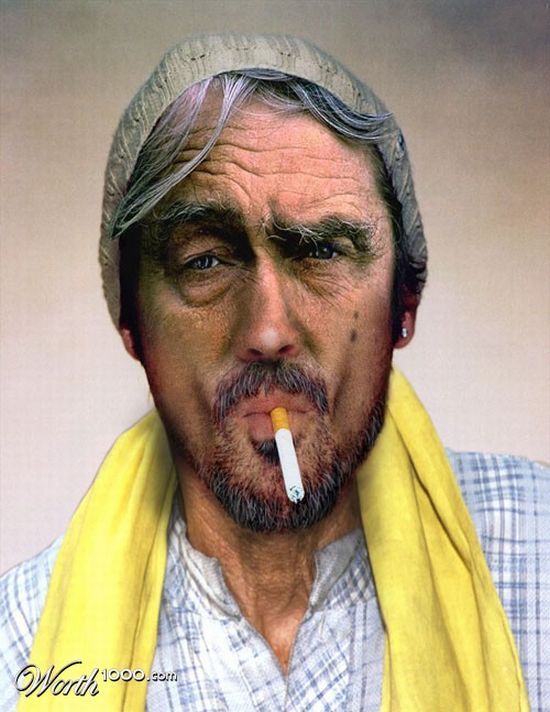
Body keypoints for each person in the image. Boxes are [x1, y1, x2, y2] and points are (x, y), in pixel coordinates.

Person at [0, 33, 547, 711]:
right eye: (205, 261)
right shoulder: (20, 647)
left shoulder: (536, 555)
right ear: (132, 323)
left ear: (404, 304)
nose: (267, 332)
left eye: (321, 251)